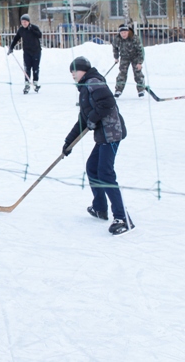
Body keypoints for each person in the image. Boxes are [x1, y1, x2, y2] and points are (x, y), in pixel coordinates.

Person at [62, 56, 133, 236]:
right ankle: (100, 208)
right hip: (103, 135)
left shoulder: (93, 82)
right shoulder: (85, 87)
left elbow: (108, 103)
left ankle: (123, 218)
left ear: (83, 70)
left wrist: (93, 119)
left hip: (112, 134)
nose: (72, 75)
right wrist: (68, 143)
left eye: (74, 71)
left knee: (105, 173)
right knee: (92, 168)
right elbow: (83, 119)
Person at [8, 14, 42, 94]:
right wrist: (11, 48)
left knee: (35, 68)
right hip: (27, 52)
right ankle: (27, 84)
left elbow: (40, 35)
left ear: (29, 22)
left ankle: (35, 82)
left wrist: (32, 30)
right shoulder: (21, 30)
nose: (24, 23)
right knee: (27, 68)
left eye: (25, 22)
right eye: (22, 22)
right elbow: (16, 38)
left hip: (36, 51)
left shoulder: (34, 27)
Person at [112, 23, 145, 98]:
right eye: (121, 33)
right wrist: (116, 57)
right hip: (124, 57)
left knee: (138, 73)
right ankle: (118, 90)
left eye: (125, 32)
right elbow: (115, 48)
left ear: (128, 32)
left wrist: (139, 62)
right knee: (122, 73)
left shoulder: (134, 38)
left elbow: (141, 51)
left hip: (135, 57)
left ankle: (141, 90)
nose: (123, 34)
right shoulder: (117, 39)